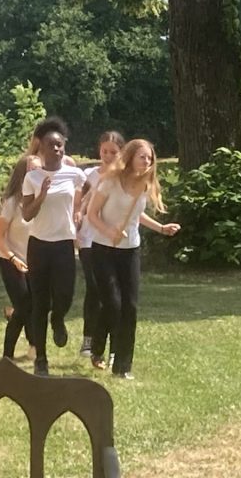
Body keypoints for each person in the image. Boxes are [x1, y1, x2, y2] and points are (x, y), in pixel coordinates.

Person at [87, 138, 180, 380]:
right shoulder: (110, 181)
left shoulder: (144, 185)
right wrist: (109, 231)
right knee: (113, 304)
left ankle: (123, 367)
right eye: (142, 156)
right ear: (130, 157)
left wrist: (161, 228)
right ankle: (97, 346)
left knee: (130, 307)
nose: (147, 161)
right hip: (103, 249)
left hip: (130, 250)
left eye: (150, 158)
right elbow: (92, 214)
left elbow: (136, 216)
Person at [22, 117, 87, 377]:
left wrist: (79, 210)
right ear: (42, 148)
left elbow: (89, 189)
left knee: (64, 295)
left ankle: (58, 318)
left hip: (63, 245)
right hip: (39, 245)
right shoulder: (32, 177)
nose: (57, 149)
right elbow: (27, 214)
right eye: (52, 145)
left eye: (60, 145)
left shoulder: (74, 174)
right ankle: (41, 358)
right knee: (40, 302)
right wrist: (41, 195)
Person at [77, 131, 125, 358]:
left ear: (121, 153)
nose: (107, 156)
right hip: (89, 239)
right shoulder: (89, 175)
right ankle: (88, 340)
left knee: (114, 294)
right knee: (94, 288)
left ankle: (114, 345)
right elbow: (79, 204)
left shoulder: (125, 177)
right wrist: (76, 222)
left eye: (113, 152)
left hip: (114, 241)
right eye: (104, 151)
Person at [0, 157, 35, 361]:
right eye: (33, 171)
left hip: (34, 263)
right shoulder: (12, 204)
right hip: (11, 261)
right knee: (25, 307)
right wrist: (13, 258)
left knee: (30, 308)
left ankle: (30, 349)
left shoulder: (40, 202)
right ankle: (9, 356)